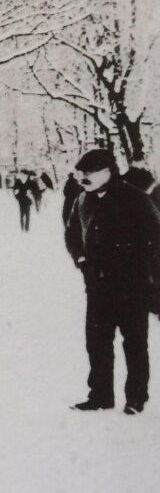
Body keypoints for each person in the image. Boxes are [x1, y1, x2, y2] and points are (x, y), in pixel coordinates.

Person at [65, 148, 160, 414]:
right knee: (97, 342)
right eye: (80, 174)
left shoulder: (135, 199)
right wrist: (81, 260)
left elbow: (156, 237)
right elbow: (72, 234)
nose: (82, 179)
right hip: (97, 285)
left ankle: (136, 398)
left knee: (134, 343)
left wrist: (145, 271)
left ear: (108, 172)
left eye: (88, 173)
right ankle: (100, 395)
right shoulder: (82, 200)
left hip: (132, 286)